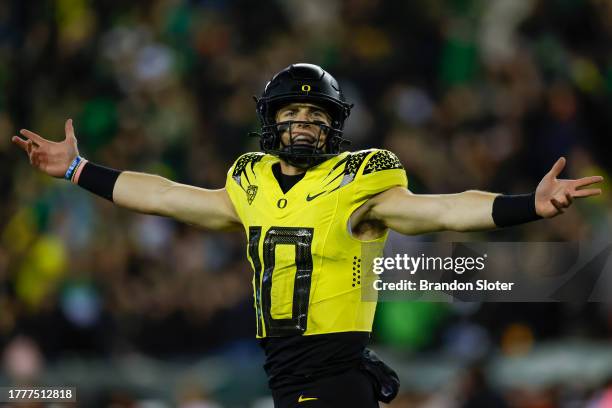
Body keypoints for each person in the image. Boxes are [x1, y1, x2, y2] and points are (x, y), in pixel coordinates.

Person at [12, 63, 604, 407]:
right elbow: (167, 197)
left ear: (335, 126)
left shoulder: (359, 179)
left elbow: (441, 211)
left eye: (317, 116)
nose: (303, 124)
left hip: (333, 376)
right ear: (270, 122)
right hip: (287, 374)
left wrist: (528, 203)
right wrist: (76, 169)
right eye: (292, 116)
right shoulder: (250, 182)